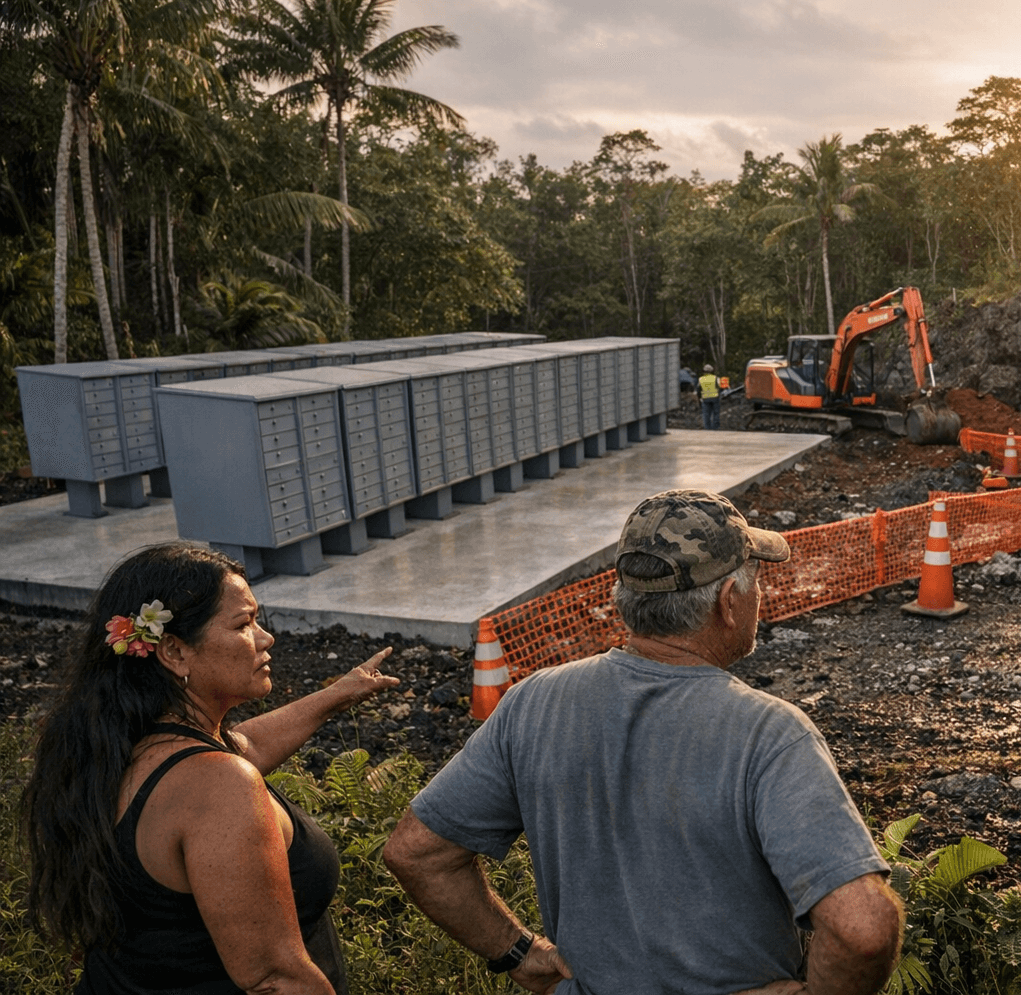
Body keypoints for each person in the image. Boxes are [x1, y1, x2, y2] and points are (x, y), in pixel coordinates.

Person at [384, 488, 903, 995]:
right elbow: (863, 931)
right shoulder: (767, 734)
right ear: (728, 602)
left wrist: (517, 953)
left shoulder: (533, 704)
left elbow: (417, 852)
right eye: (755, 581)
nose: (759, 596)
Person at [24, 541, 400, 995]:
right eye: (244, 624)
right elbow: (274, 978)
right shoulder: (218, 785)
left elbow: (247, 744)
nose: (266, 638)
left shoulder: (120, 745)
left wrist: (340, 692)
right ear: (175, 652)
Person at [698, 364, 721, 429]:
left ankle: (708, 428)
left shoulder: (701, 379)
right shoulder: (716, 378)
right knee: (716, 413)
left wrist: (700, 398)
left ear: (704, 371)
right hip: (715, 398)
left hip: (705, 398)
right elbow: (719, 388)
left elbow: (698, 389)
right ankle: (715, 428)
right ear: (712, 371)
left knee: (706, 414)